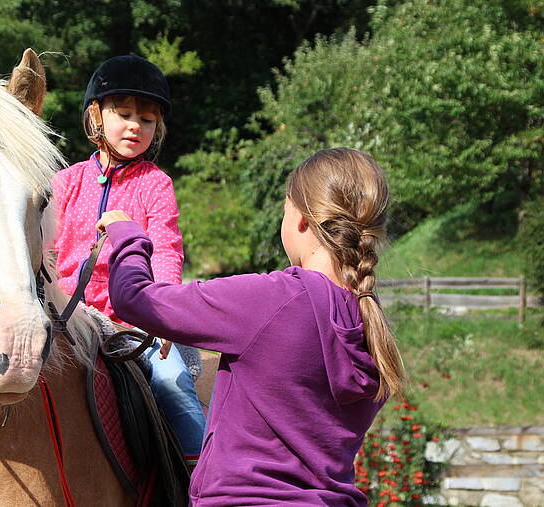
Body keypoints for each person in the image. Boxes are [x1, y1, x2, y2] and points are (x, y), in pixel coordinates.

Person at [98, 147, 406, 506]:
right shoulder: (371, 322)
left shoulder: (274, 299)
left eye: (286, 210)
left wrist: (128, 235)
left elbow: (135, 298)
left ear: (302, 220)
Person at [50, 54, 206, 465]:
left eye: (147, 119)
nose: (136, 126)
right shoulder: (65, 182)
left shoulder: (156, 184)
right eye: (124, 114)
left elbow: (167, 248)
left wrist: (165, 310)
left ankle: (205, 476)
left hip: (137, 317)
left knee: (173, 383)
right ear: (96, 117)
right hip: (72, 316)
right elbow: (47, 251)